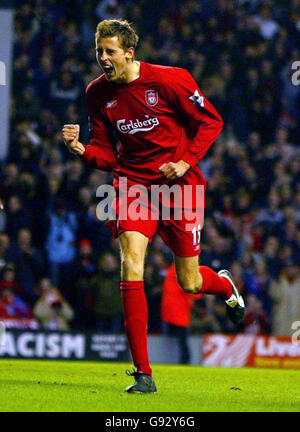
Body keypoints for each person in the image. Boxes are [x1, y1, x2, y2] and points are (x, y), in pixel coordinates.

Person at [62, 19, 245, 393]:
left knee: (189, 281)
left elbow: (211, 121)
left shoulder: (170, 80)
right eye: (99, 51)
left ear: (129, 52)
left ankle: (223, 285)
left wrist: (186, 161)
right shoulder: (97, 93)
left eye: (109, 51)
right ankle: (143, 373)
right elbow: (105, 151)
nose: (102, 58)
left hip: (179, 185)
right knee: (131, 262)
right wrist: (82, 150)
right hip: (132, 184)